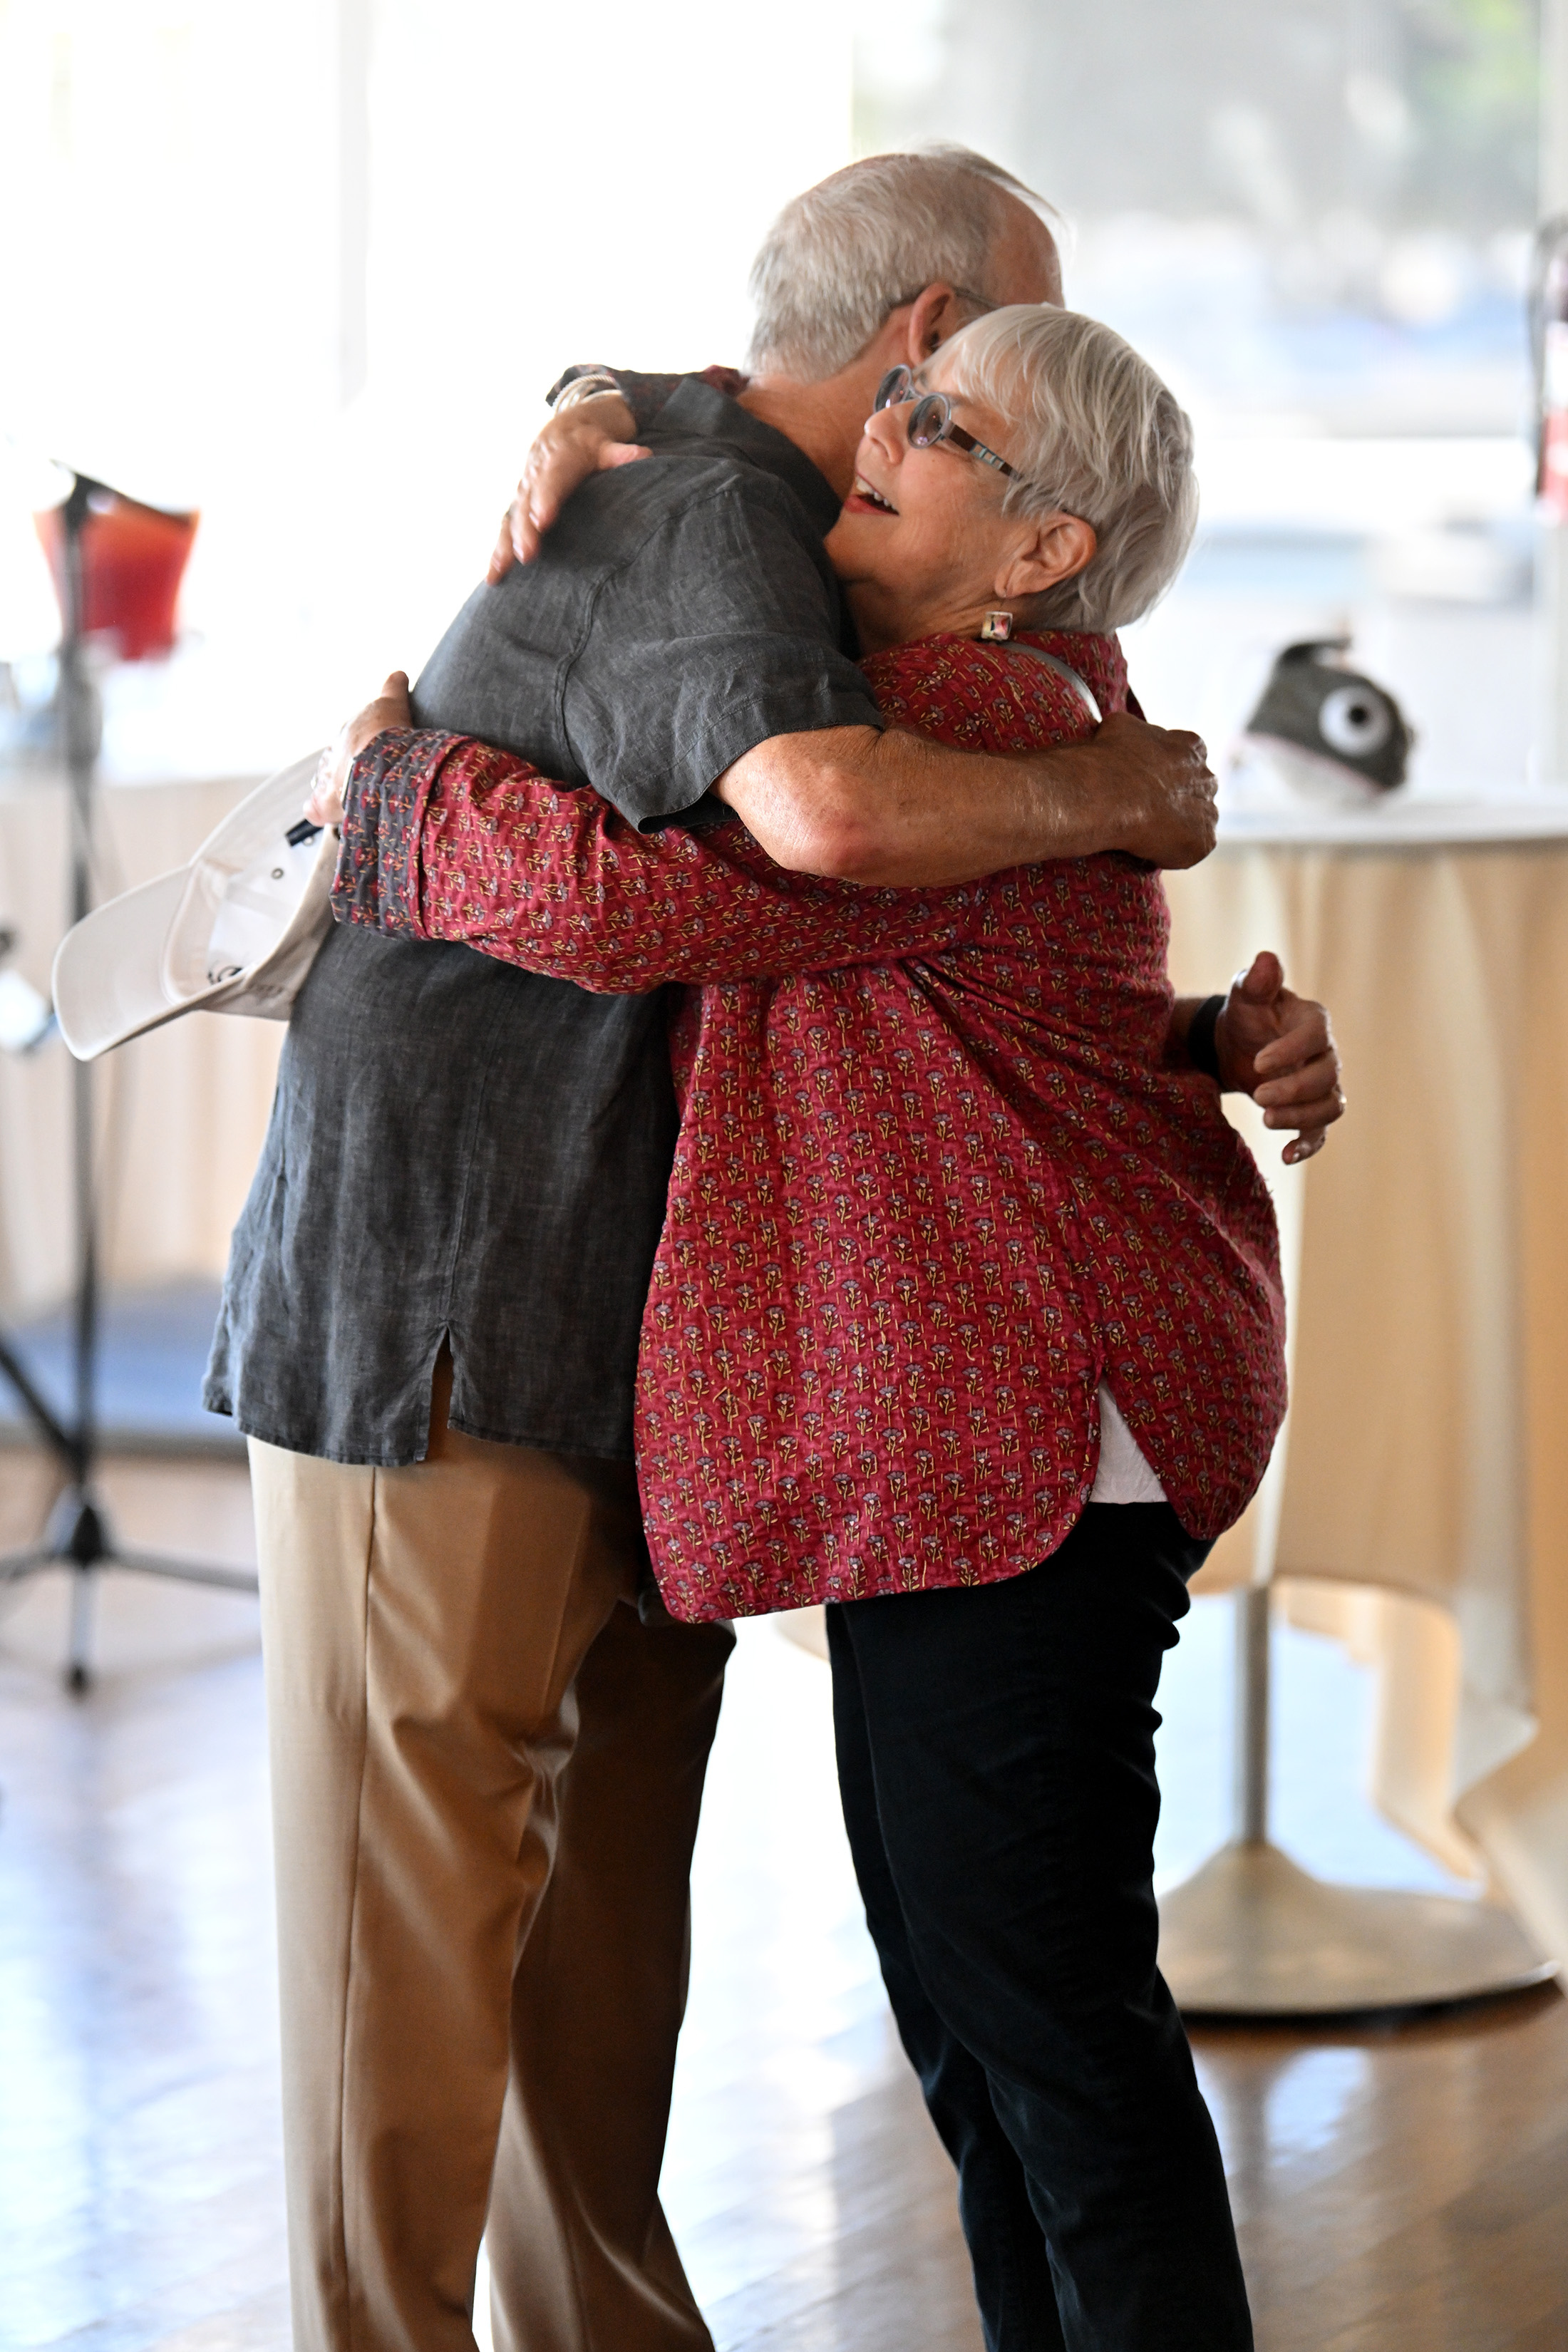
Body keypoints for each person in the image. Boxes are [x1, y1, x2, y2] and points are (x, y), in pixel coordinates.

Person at [214, 148, 1337, 2352]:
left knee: (1009, 2030)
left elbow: (730, 885)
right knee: (958, 2027)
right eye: (942, 383)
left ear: (1036, 542)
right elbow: (896, 913)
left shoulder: (944, 695)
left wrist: (401, 797)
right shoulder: (844, 603)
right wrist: (1176, 936)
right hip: (579, 1338)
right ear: (914, 332)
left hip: (953, 1438)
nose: (921, 421)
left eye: (966, 427)